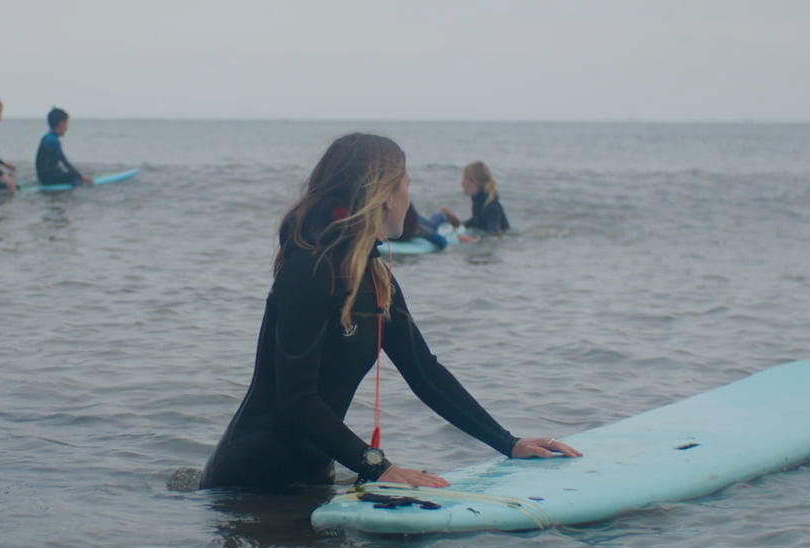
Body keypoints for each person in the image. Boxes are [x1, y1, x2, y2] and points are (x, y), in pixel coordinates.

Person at [200, 133, 579, 492]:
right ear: (383, 196)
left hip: (311, 480)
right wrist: (379, 467)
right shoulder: (309, 273)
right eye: (406, 186)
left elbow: (425, 372)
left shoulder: (376, 277)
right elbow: (297, 400)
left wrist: (508, 443)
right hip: (248, 486)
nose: (408, 199)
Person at [439, 161, 510, 236]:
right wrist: (456, 223)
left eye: (464, 179)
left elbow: (493, 234)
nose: (462, 184)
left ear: (474, 182)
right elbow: (476, 221)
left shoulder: (491, 206)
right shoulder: (479, 202)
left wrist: (472, 240)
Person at [35, 107, 92, 187]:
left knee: (64, 171)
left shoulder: (46, 137)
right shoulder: (53, 141)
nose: (67, 128)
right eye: (66, 123)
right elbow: (64, 161)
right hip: (47, 179)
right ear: (61, 123)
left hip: (42, 178)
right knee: (72, 176)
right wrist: (80, 177)